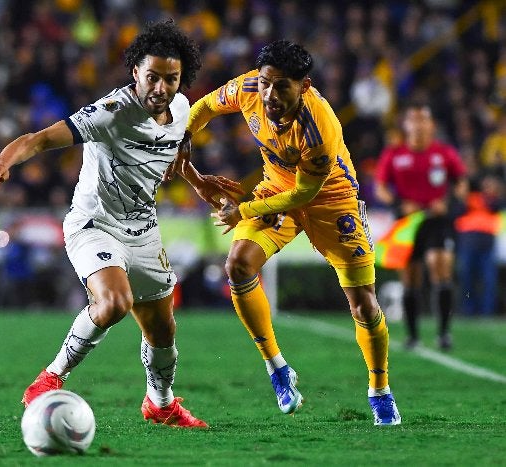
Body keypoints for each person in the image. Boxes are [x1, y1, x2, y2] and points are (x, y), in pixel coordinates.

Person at [0, 20, 241, 428]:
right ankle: (49, 378)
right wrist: (3, 160)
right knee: (114, 303)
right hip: (93, 225)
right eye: (152, 77)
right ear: (135, 71)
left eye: (171, 79)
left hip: (143, 231)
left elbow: (178, 147)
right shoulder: (111, 112)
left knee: (162, 331)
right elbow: (42, 138)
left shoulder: (183, 108)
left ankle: (161, 403)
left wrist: (198, 181)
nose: (160, 88)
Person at [165, 39, 401, 425]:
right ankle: (278, 369)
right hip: (277, 188)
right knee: (238, 265)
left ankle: (380, 389)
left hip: (331, 200)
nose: (270, 94)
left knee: (363, 304)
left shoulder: (319, 126)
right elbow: (205, 105)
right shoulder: (248, 89)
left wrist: (244, 209)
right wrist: (184, 136)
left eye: (282, 87)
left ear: (304, 86)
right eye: (266, 83)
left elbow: (305, 193)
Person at [375, 103, 468, 351]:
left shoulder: (445, 153)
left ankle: (444, 333)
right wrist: (399, 204)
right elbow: (380, 188)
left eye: (423, 119)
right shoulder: (394, 155)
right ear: (406, 126)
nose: (418, 124)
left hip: (437, 221)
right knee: (410, 277)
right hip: (408, 224)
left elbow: (461, 183)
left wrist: (448, 202)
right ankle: (413, 336)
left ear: (431, 125)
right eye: (413, 120)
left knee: (440, 266)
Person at [454, 174, 503, 317]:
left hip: (487, 244)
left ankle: (487, 312)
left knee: (489, 280)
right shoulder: (469, 198)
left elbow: (496, 207)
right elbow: (458, 212)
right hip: (468, 242)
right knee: (467, 278)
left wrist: (494, 193)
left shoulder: (493, 201)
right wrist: (462, 197)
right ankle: (468, 310)